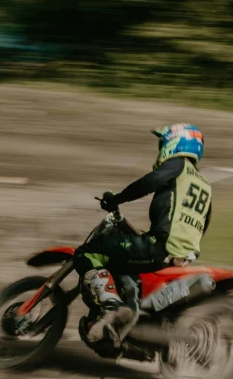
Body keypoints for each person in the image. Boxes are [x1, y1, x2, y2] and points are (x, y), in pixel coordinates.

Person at [74, 123, 212, 349]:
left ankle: (112, 307)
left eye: (162, 143)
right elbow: (204, 223)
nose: (160, 148)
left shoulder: (177, 164)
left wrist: (117, 199)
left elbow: (149, 182)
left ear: (175, 143)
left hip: (159, 247)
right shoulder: (204, 184)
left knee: (87, 253)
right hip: (180, 257)